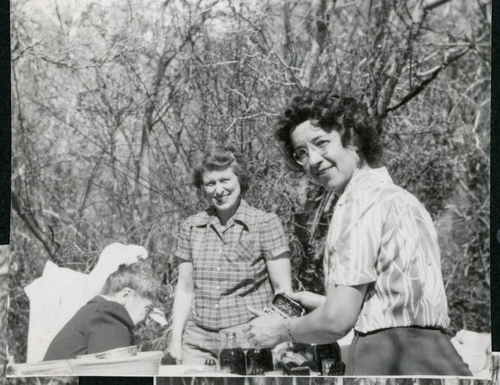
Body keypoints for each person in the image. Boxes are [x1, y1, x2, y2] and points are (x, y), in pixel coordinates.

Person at [244, 91, 472, 376]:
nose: (312, 160)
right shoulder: (403, 199)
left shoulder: (356, 201)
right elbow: (396, 304)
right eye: (302, 152)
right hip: (440, 360)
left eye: (321, 143)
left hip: (388, 363)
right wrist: (320, 301)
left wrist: (283, 330)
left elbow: (337, 321)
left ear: (353, 138)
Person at [166, 144, 292, 365]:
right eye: (210, 183)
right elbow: (185, 289)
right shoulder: (192, 226)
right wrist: (175, 341)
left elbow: (283, 289)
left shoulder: (265, 223)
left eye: (225, 180)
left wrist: (282, 332)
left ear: (239, 180)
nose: (218, 189)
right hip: (197, 342)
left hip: (249, 338)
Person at [44, 261, 160, 361]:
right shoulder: (110, 314)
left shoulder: (96, 311)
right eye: (147, 308)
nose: (145, 318)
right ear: (126, 295)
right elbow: (112, 376)